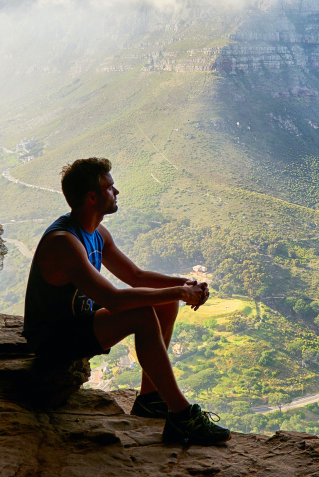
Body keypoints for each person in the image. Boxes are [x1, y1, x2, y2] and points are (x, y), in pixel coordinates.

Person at [23, 157, 231, 445]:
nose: (116, 191)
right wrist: (180, 293)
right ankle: (183, 417)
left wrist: (183, 284)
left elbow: (135, 275)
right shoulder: (64, 242)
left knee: (163, 303)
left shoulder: (96, 233)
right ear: (92, 197)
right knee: (143, 315)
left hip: (79, 323)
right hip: (54, 339)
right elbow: (114, 299)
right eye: (110, 187)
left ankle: (150, 400)